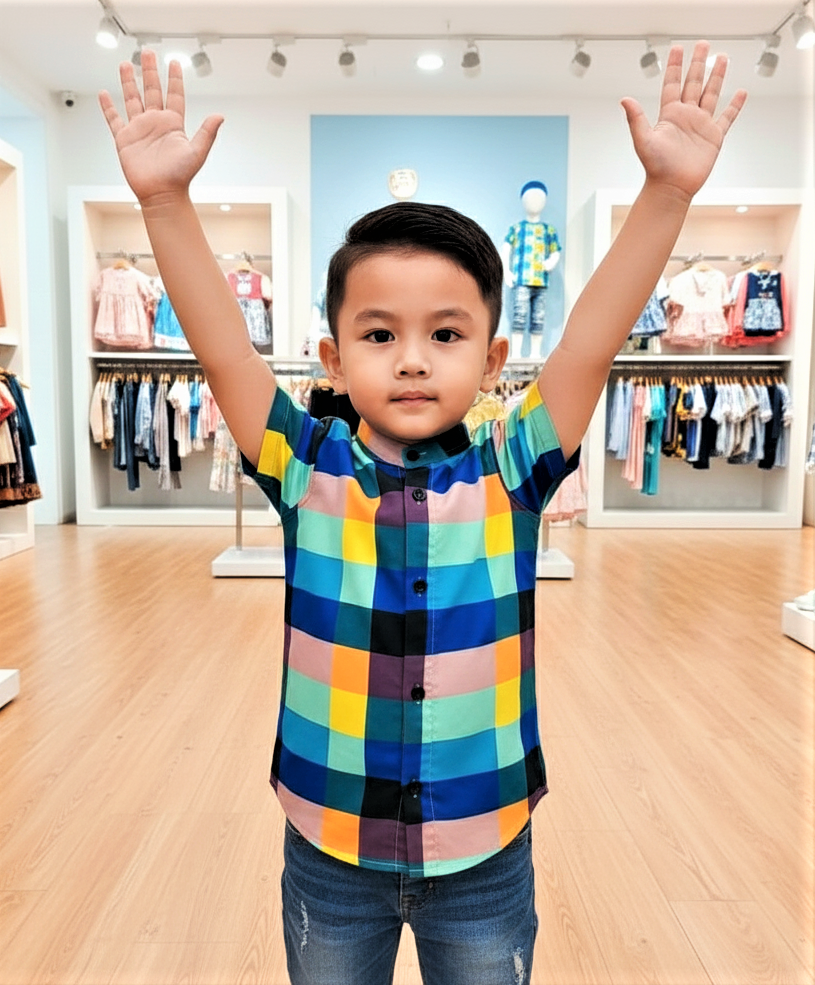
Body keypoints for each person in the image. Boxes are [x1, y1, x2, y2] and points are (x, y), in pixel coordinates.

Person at [99, 42, 746, 985]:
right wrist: (163, 203)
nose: (410, 358)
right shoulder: (306, 464)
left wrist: (666, 195)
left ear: (491, 360)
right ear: (332, 357)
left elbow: (588, 342)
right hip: (330, 848)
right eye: (378, 334)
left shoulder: (512, 466)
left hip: (484, 852)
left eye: (445, 333)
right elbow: (227, 353)